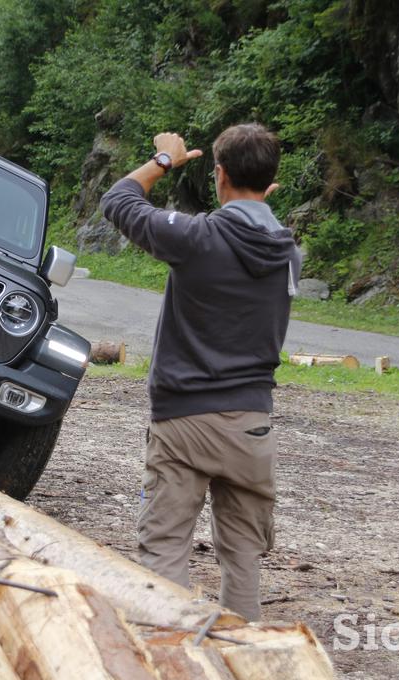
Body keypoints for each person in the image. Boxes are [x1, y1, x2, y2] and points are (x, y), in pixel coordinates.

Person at [100, 124, 301, 622]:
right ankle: (244, 660)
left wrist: (164, 162)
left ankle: (171, 659)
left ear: (220, 175)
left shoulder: (197, 237)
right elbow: (255, 223)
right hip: (251, 425)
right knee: (244, 559)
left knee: (164, 548)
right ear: (270, 183)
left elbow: (119, 201)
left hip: (182, 422)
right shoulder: (287, 254)